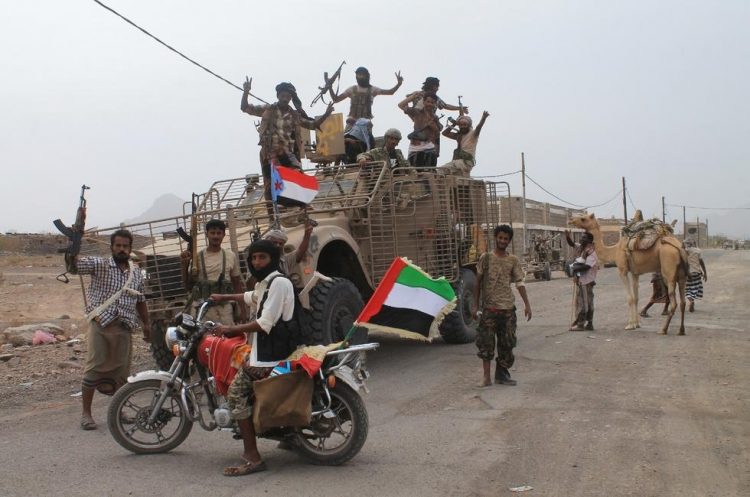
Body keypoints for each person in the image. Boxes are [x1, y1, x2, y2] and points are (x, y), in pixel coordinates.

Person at [210, 239, 296, 476]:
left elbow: (264, 323)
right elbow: (250, 296)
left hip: (271, 357)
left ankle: (252, 456)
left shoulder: (278, 283)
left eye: (262, 258)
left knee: (236, 393)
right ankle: (288, 435)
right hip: (265, 352)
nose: (257, 263)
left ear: (273, 259)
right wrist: (223, 297)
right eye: (254, 258)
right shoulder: (267, 283)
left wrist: (230, 330)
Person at [71, 229, 151, 430]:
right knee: (94, 369)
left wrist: (147, 325)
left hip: (124, 326)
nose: (121, 249)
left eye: (125, 246)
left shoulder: (136, 273)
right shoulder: (100, 265)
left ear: (130, 248)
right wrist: (75, 240)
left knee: (121, 373)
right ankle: (86, 414)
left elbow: (141, 300)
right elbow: (74, 265)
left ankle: (119, 410)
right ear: (112, 247)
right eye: (118, 246)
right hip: (101, 324)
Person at [241, 80, 334, 201]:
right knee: (270, 186)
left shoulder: (294, 115)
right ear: (278, 96)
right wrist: (246, 91)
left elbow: (312, 125)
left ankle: (300, 207)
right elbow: (245, 107)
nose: (285, 99)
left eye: (288, 96)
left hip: (286, 152)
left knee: (298, 176)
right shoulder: (268, 110)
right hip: (269, 152)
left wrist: (326, 114)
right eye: (283, 96)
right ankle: (272, 217)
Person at [472, 225, 532, 387]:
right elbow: (477, 282)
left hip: (507, 310)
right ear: (495, 238)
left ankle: (502, 374)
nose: (502, 241)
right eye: (500, 237)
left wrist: (527, 304)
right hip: (490, 310)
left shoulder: (513, 260)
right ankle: (486, 377)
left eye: (506, 239)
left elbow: (520, 282)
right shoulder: (486, 258)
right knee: (486, 344)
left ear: (509, 241)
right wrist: (475, 305)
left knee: (508, 343)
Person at [180, 219, 247, 324]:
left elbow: (237, 283)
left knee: (228, 338)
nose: (216, 236)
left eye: (219, 233)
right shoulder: (197, 257)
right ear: (207, 234)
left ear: (223, 235)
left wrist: (242, 310)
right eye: (212, 233)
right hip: (202, 310)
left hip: (225, 309)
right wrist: (184, 265)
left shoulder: (230, 256)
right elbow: (188, 286)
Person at [328, 66, 403, 126]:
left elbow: (390, 92)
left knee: (368, 143)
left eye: (362, 74)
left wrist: (398, 84)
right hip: (352, 122)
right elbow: (336, 99)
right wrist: (330, 87)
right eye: (358, 74)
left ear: (367, 76)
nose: (360, 77)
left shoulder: (373, 90)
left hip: (365, 123)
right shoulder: (351, 89)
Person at [398, 92, 443, 167]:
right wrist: (413, 96)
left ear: (435, 104)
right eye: (428, 101)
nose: (430, 104)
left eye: (432, 102)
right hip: (415, 147)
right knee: (414, 172)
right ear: (424, 102)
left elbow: (437, 133)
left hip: (430, 147)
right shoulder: (417, 112)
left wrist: (433, 126)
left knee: (429, 173)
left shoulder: (435, 117)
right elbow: (401, 105)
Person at [439, 111, 489, 177]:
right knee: (442, 171)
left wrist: (483, 118)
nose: (462, 127)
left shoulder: (473, 135)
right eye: (461, 125)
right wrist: (454, 124)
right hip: (457, 162)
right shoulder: (459, 136)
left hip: (466, 162)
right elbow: (444, 133)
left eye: (465, 124)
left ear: (469, 125)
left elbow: (478, 127)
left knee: (447, 168)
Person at [567, 232, 598, 331]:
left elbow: (587, 266)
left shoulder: (591, 252)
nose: (581, 239)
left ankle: (580, 324)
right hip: (582, 280)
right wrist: (567, 236)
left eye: (584, 238)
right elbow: (572, 244)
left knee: (583, 303)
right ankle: (589, 323)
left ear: (589, 240)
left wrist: (574, 268)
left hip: (586, 281)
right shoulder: (583, 248)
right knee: (588, 302)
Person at [685, 238, 707, 312]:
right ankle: (692, 302)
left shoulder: (686, 250)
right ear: (694, 243)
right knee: (695, 288)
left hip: (688, 273)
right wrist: (705, 273)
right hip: (697, 273)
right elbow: (701, 262)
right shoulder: (698, 250)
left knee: (687, 289)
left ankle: (691, 301)